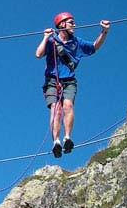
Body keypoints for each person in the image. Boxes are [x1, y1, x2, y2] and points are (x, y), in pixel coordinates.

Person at [35, 13, 110, 158]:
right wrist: (45, 37)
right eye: (71, 22)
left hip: (69, 80)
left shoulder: (77, 42)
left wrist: (104, 31)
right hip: (52, 81)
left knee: (68, 105)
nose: (74, 25)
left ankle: (67, 138)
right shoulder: (52, 42)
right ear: (62, 25)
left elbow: (95, 47)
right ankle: (56, 141)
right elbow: (38, 54)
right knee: (56, 110)